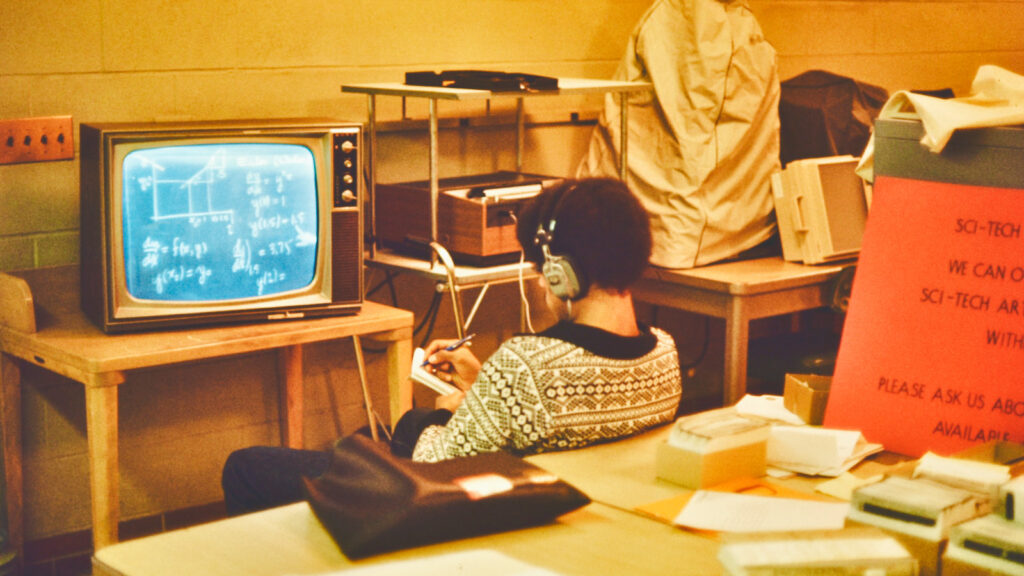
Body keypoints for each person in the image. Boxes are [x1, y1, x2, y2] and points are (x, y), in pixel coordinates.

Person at [221, 177, 682, 515]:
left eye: (542, 268)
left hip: (444, 505)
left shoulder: (527, 366)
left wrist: (447, 410)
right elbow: (556, 414)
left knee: (247, 466)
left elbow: (438, 467)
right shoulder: (665, 353)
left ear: (561, 272)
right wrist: (483, 389)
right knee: (362, 444)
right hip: (566, 502)